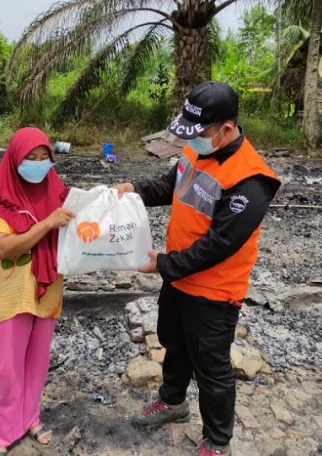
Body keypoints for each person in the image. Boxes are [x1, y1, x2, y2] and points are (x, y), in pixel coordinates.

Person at [114, 81, 281, 456]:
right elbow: (170, 185)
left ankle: (217, 442)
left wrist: (162, 263)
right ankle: (173, 402)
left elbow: (218, 246)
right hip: (179, 280)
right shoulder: (196, 148)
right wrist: (132, 189)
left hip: (214, 292)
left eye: (202, 132)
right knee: (173, 342)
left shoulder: (251, 180)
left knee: (212, 368)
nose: (194, 140)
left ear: (226, 129)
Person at [0, 127, 74, 456]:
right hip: (9, 295)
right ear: (13, 160)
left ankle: (30, 418)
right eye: (28, 158)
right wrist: (46, 224)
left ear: (51, 159)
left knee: (36, 363)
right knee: (5, 369)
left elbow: (82, 229)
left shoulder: (59, 193)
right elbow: (3, 248)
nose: (36, 164)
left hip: (46, 292)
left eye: (43, 157)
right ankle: (1, 435)